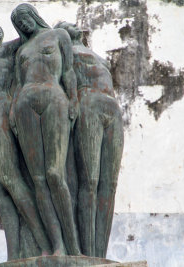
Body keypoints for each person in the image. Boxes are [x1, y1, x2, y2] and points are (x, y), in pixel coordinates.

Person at [0, 19, 51, 259]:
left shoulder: (7, 49)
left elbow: (39, 34)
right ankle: (14, 254)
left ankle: (44, 244)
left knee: (12, 180)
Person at [9, 4, 81, 256]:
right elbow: (18, 84)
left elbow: (69, 72)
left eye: (24, 17)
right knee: (39, 179)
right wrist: (12, 113)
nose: (23, 23)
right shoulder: (22, 50)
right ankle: (57, 244)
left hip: (54, 97)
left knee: (54, 173)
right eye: (17, 21)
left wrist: (73, 100)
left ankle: (73, 245)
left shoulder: (58, 36)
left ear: (34, 16)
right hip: (25, 104)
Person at [55, 21, 124, 258]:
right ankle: (87, 252)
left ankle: (100, 254)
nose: (72, 25)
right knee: (90, 181)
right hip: (87, 105)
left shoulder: (96, 55)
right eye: (65, 24)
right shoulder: (63, 52)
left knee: (110, 184)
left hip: (112, 109)